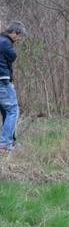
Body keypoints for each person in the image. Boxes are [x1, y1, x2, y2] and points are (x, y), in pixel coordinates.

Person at [0, 21, 26, 152]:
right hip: (3, 80)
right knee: (13, 110)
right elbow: (13, 56)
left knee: (6, 111)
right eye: (20, 35)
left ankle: (12, 142)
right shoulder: (5, 42)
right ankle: (5, 144)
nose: (20, 38)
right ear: (14, 33)